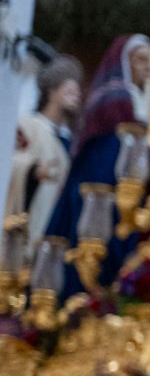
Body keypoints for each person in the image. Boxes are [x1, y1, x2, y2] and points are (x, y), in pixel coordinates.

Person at [45, 34, 150, 291]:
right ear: (123, 62)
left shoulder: (138, 101)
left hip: (123, 193)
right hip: (101, 193)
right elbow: (106, 155)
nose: (148, 67)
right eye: (140, 60)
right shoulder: (115, 98)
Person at [10, 57, 83, 240]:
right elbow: (10, 163)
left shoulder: (70, 140)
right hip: (26, 222)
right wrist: (33, 170)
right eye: (70, 90)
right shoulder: (29, 126)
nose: (77, 96)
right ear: (52, 91)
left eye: (78, 91)